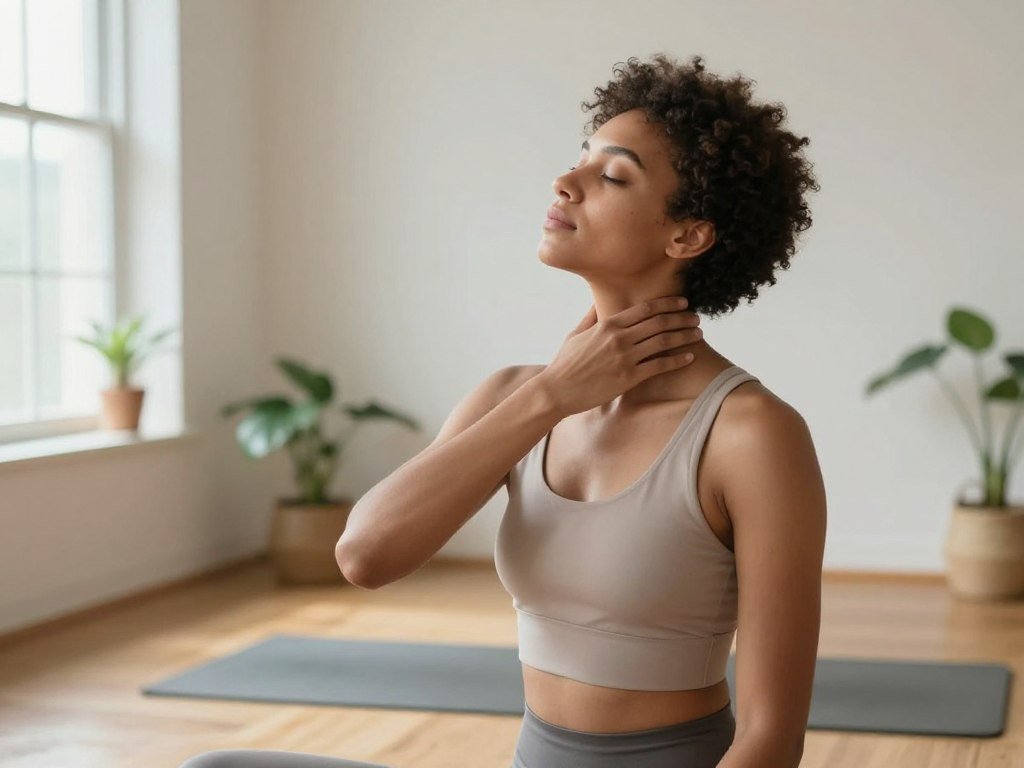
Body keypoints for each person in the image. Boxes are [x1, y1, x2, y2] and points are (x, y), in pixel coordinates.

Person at [179, 52, 826, 768]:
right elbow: (365, 554)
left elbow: (771, 739)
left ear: (687, 235)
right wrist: (550, 397)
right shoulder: (515, 399)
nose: (566, 181)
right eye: (581, 159)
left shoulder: (750, 434)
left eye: (612, 175)